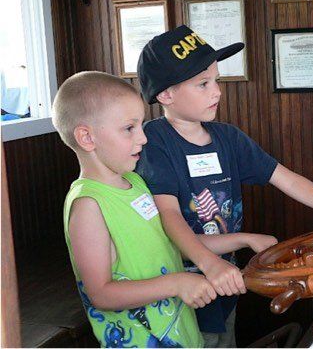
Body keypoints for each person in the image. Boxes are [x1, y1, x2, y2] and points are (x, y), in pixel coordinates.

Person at [135, 25, 313, 347]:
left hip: (224, 280)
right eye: (203, 84)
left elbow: (288, 179)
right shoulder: (154, 143)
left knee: (223, 339)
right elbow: (167, 216)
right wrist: (209, 262)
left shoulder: (228, 137)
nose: (217, 91)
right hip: (178, 287)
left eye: (217, 81)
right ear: (166, 94)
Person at [52, 71, 214, 347]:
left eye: (140, 126)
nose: (143, 138)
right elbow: (101, 295)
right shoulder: (88, 206)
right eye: (129, 128)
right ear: (86, 137)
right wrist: (178, 283)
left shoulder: (135, 182)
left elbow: (163, 241)